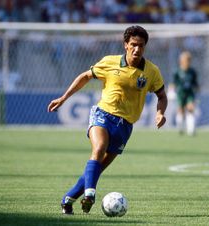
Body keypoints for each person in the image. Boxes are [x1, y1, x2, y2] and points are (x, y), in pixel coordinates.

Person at [47, 25, 168, 215]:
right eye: (134, 45)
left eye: (141, 46)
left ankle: (68, 199)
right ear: (126, 45)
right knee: (99, 147)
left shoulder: (152, 71)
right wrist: (63, 98)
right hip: (103, 114)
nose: (137, 49)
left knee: (98, 167)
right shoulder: (109, 62)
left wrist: (160, 113)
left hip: (126, 126)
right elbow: (85, 76)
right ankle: (90, 194)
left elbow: (162, 96)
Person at [172, 51, 199, 136]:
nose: (187, 62)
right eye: (186, 60)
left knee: (191, 109)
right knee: (181, 111)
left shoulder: (192, 72)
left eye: (189, 60)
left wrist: (197, 89)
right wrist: (171, 91)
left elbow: (195, 83)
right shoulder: (177, 72)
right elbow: (173, 84)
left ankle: (191, 130)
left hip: (189, 93)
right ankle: (180, 128)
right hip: (180, 94)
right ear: (181, 61)